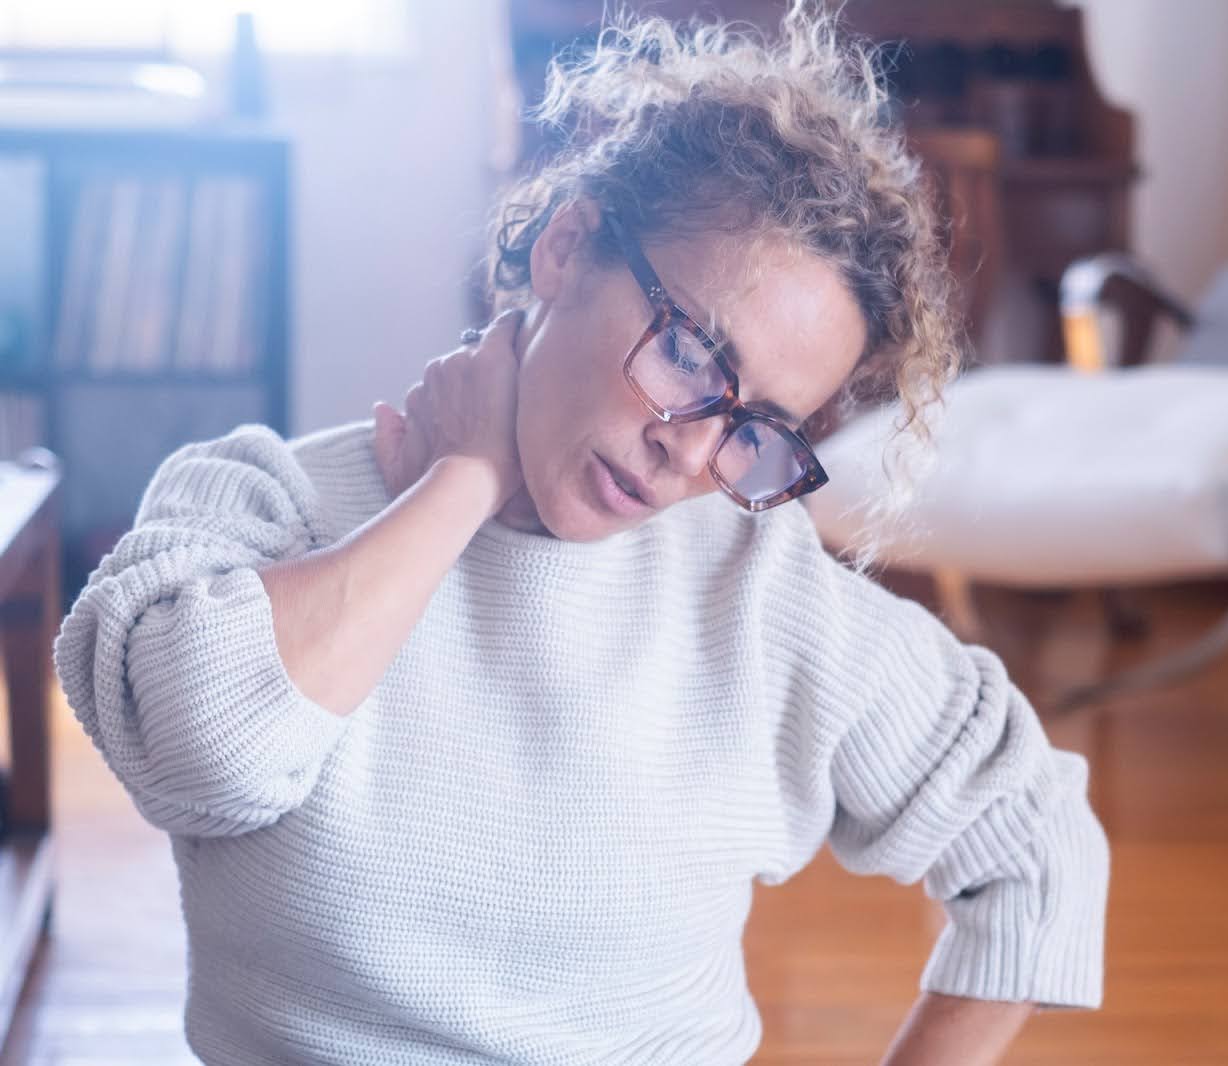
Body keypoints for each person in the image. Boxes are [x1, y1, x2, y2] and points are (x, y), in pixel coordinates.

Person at [52, 4, 1108, 1064]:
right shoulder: (263, 501)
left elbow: (1033, 845)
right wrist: (460, 483)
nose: (691, 455)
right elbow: (200, 756)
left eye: (757, 428)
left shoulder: (759, 594)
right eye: (694, 356)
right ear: (565, 247)